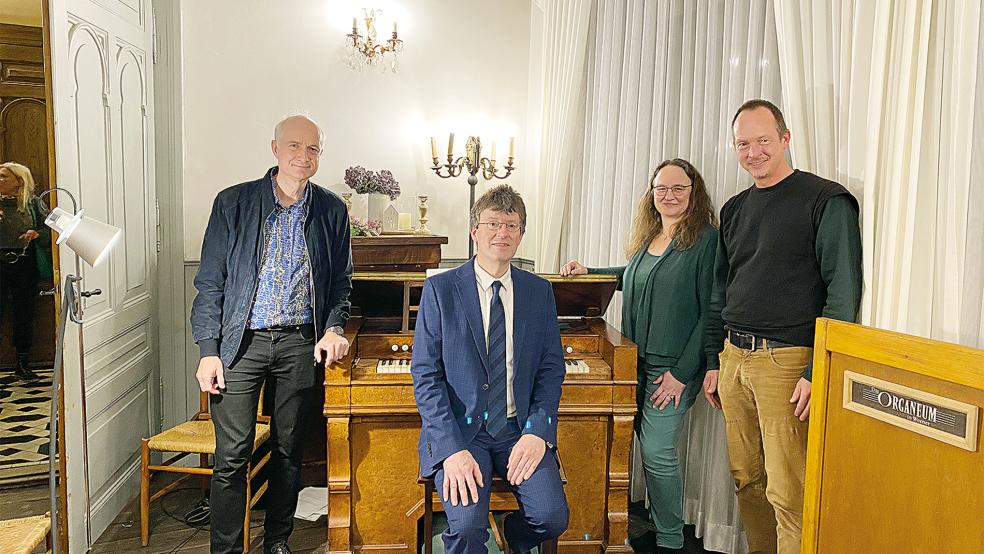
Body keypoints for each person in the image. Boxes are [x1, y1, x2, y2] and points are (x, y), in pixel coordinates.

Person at [702, 99, 862, 554]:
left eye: (763, 140)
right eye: (743, 144)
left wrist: (816, 370)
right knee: (746, 479)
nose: (753, 152)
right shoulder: (733, 209)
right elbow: (721, 290)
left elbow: (843, 294)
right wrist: (715, 359)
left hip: (787, 363)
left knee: (788, 492)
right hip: (733, 359)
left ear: (786, 138)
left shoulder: (825, 200)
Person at [190, 114, 353, 554]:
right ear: (275, 148)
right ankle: (225, 549)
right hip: (240, 344)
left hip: (300, 344)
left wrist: (333, 326)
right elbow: (210, 282)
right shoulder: (233, 203)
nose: (304, 156)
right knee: (232, 457)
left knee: (288, 451)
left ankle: (276, 541)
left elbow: (340, 284)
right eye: (296, 146)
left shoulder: (332, 210)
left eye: (313, 149)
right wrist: (209, 351)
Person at [560, 158, 717, 553]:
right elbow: (632, 277)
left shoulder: (706, 240)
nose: (669, 195)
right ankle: (617, 526)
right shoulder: (651, 238)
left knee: (657, 451)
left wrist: (682, 373)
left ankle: (669, 540)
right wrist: (589, 271)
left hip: (674, 367)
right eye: (661, 188)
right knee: (622, 444)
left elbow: (711, 312)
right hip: (635, 362)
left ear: (693, 192)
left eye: (678, 188)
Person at [411, 185, 569, 554]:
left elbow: (550, 370)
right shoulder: (440, 290)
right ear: (474, 232)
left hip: (518, 428)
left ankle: (513, 535)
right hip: (462, 433)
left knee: (551, 517)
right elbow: (426, 377)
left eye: (511, 225)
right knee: (466, 528)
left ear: (521, 234)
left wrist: (537, 432)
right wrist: (450, 449)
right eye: (493, 223)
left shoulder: (538, 291)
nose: (502, 233)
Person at [0, 162, 50, 382]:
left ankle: (23, 364)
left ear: (19, 181)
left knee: (24, 314)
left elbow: (51, 232)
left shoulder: (34, 204)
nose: (0, 181)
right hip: (0, 264)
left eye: (4, 177)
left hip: (24, 264)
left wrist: (36, 234)